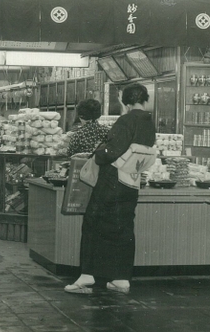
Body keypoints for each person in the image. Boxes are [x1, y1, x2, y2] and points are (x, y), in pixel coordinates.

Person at [65, 83, 156, 295]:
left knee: (92, 224)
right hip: (131, 182)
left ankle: (86, 276)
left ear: (124, 101)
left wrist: (99, 153)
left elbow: (111, 151)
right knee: (123, 228)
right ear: (146, 100)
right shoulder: (148, 122)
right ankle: (121, 278)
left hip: (111, 181)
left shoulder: (125, 120)